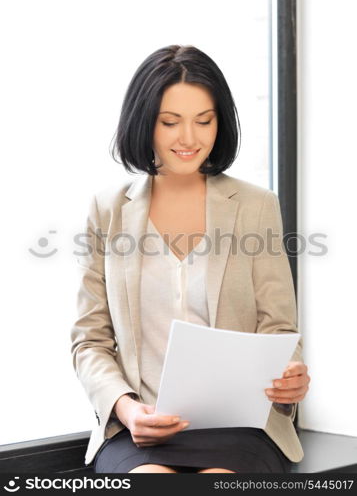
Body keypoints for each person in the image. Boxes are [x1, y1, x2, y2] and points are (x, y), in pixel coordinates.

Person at [70, 44, 310, 474]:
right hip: (141, 428)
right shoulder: (107, 209)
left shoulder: (255, 205)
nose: (189, 138)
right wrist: (126, 411)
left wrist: (290, 374)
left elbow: (279, 328)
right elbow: (89, 340)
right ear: (145, 124)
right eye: (170, 122)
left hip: (239, 428)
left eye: (204, 121)